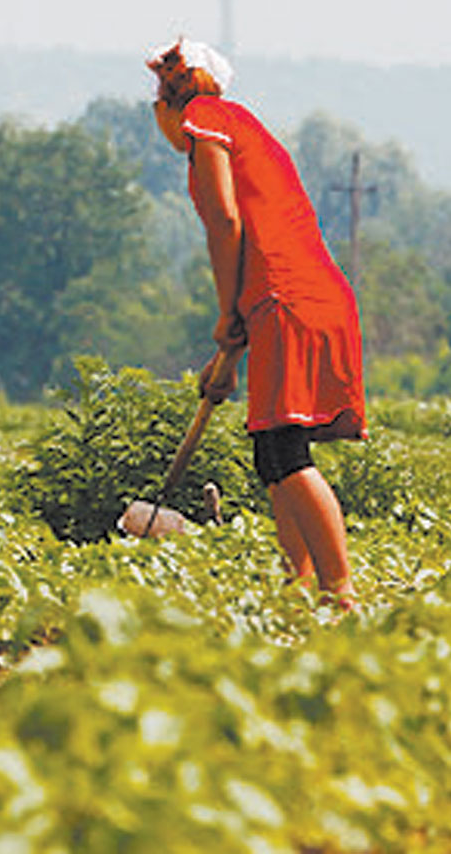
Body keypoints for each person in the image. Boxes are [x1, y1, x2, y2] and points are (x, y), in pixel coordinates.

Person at [148, 37, 364, 608]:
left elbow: (225, 222)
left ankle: (339, 593)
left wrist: (224, 315)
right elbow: (248, 252)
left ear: (166, 104)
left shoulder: (206, 119)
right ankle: (296, 589)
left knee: (287, 450)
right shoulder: (242, 125)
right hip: (286, 299)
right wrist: (226, 360)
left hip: (290, 298)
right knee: (271, 451)